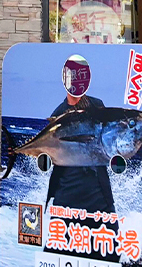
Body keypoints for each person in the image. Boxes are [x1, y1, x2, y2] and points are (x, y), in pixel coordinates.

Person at [45, 61, 115, 214]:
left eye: (80, 76)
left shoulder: (97, 105)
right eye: (72, 77)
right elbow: (49, 156)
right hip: (66, 196)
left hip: (100, 196)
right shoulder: (58, 114)